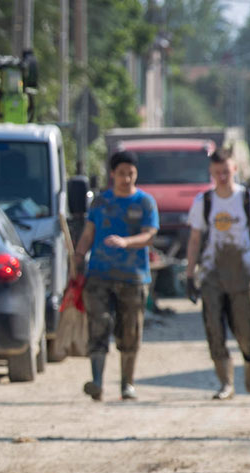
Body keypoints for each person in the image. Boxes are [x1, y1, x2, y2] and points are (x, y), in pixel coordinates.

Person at [185, 147, 250, 400]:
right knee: (214, 329)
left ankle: (249, 359)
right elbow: (194, 240)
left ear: (234, 169)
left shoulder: (249, 199)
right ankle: (226, 382)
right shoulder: (203, 202)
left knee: (244, 330)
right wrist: (190, 274)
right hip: (212, 273)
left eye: (226, 171)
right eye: (217, 172)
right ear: (211, 173)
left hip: (244, 274)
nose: (222, 176)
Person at [72, 150, 159, 401]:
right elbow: (89, 233)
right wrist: (78, 258)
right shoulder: (100, 203)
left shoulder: (145, 203)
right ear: (112, 174)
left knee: (130, 330)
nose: (126, 178)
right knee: (98, 324)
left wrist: (126, 242)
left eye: (131, 173)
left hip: (133, 277)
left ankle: (127, 383)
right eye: (121, 174)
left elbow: (149, 236)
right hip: (99, 274)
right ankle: (97, 382)